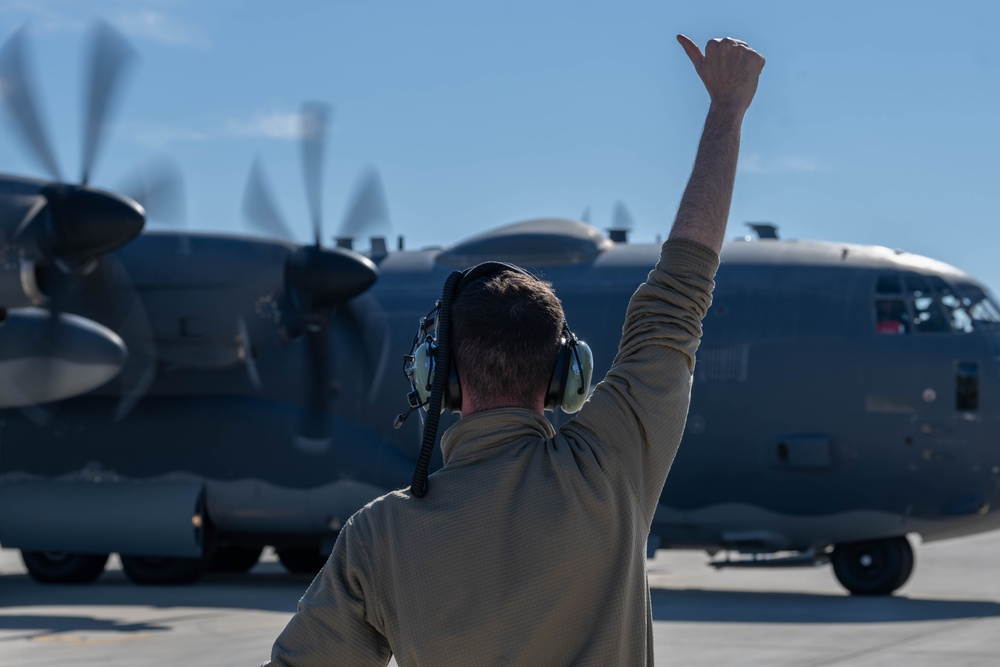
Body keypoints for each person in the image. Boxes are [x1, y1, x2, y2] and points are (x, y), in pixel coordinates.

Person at [263, 34, 765, 666]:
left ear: (436, 377)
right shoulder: (609, 468)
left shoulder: (381, 535)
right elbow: (677, 297)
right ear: (566, 376)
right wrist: (727, 108)